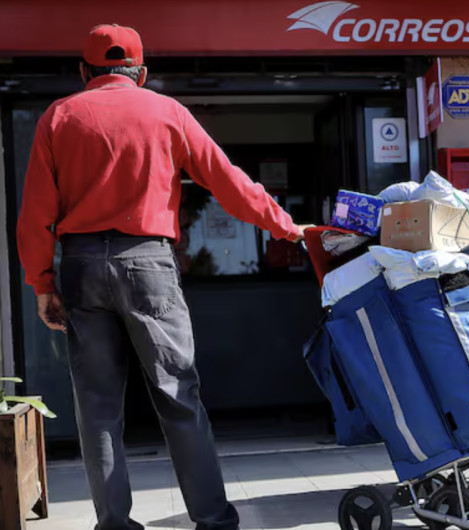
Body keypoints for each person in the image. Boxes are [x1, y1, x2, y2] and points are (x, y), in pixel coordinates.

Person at [16, 24, 313, 530]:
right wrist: (286, 228)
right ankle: (213, 521)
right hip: (148, 262)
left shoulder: (58, 116)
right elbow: (227, 181)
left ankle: (114, 523)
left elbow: (35, 214)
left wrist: (42, 283)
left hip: (81, 264)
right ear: (142, 72)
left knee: (97, 407)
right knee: (178, 396)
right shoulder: (167, 112)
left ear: (84, 71)